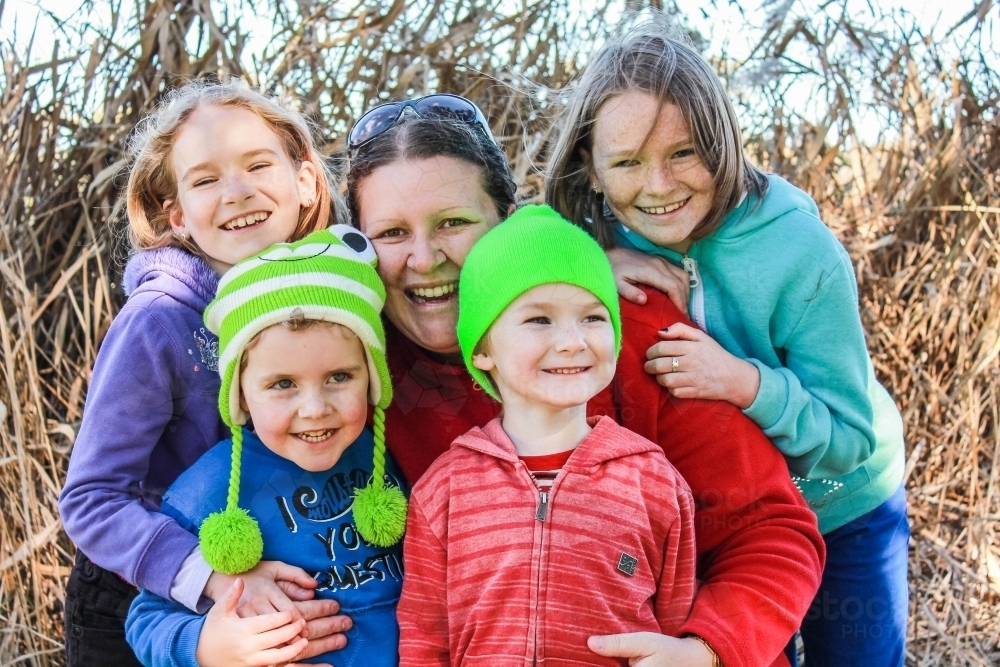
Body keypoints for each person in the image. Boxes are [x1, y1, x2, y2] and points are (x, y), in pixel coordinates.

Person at [345, 95, 825, 667]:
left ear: (508, 221)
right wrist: (237, 577)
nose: (424, 259)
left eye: (454, 222)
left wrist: (706, 650)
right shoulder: (346, 370)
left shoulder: (630, 338)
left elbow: (769, 532)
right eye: (391, 233)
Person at [544, 21, 908, 667]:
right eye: (627, 163)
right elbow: (509, 254)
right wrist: (589, 264)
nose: (659, 185)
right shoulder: (595, 236)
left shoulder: (801, 251)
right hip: (729, 517)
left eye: (684, 153)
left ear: (723, 142)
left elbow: (850, 436)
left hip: (845, 505)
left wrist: (746, 383)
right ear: (590, 170)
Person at [58, 79, 348, 666]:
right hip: (146, 586)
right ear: (179, 217)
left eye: (257, 165)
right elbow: (91, 499)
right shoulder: (158, 321)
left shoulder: (334, 304)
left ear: (304, 181)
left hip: (274, 571)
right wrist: (214, 578)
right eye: (206, 180)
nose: (236, 192)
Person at [397, 205, 697, 664]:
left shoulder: (654, 482)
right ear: (481, 350)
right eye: (540, 320)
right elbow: (424, 638)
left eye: (593, 318)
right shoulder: (444, 489)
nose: (573, 341)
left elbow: (673, 628)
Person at [124, 226, 408, 667]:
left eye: (339, 377)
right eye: (282, 384)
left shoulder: (384, 461)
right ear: (240, 395)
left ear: (372, 378)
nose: (314, 409)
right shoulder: (212, 489)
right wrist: (210, 648)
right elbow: (146, 620)